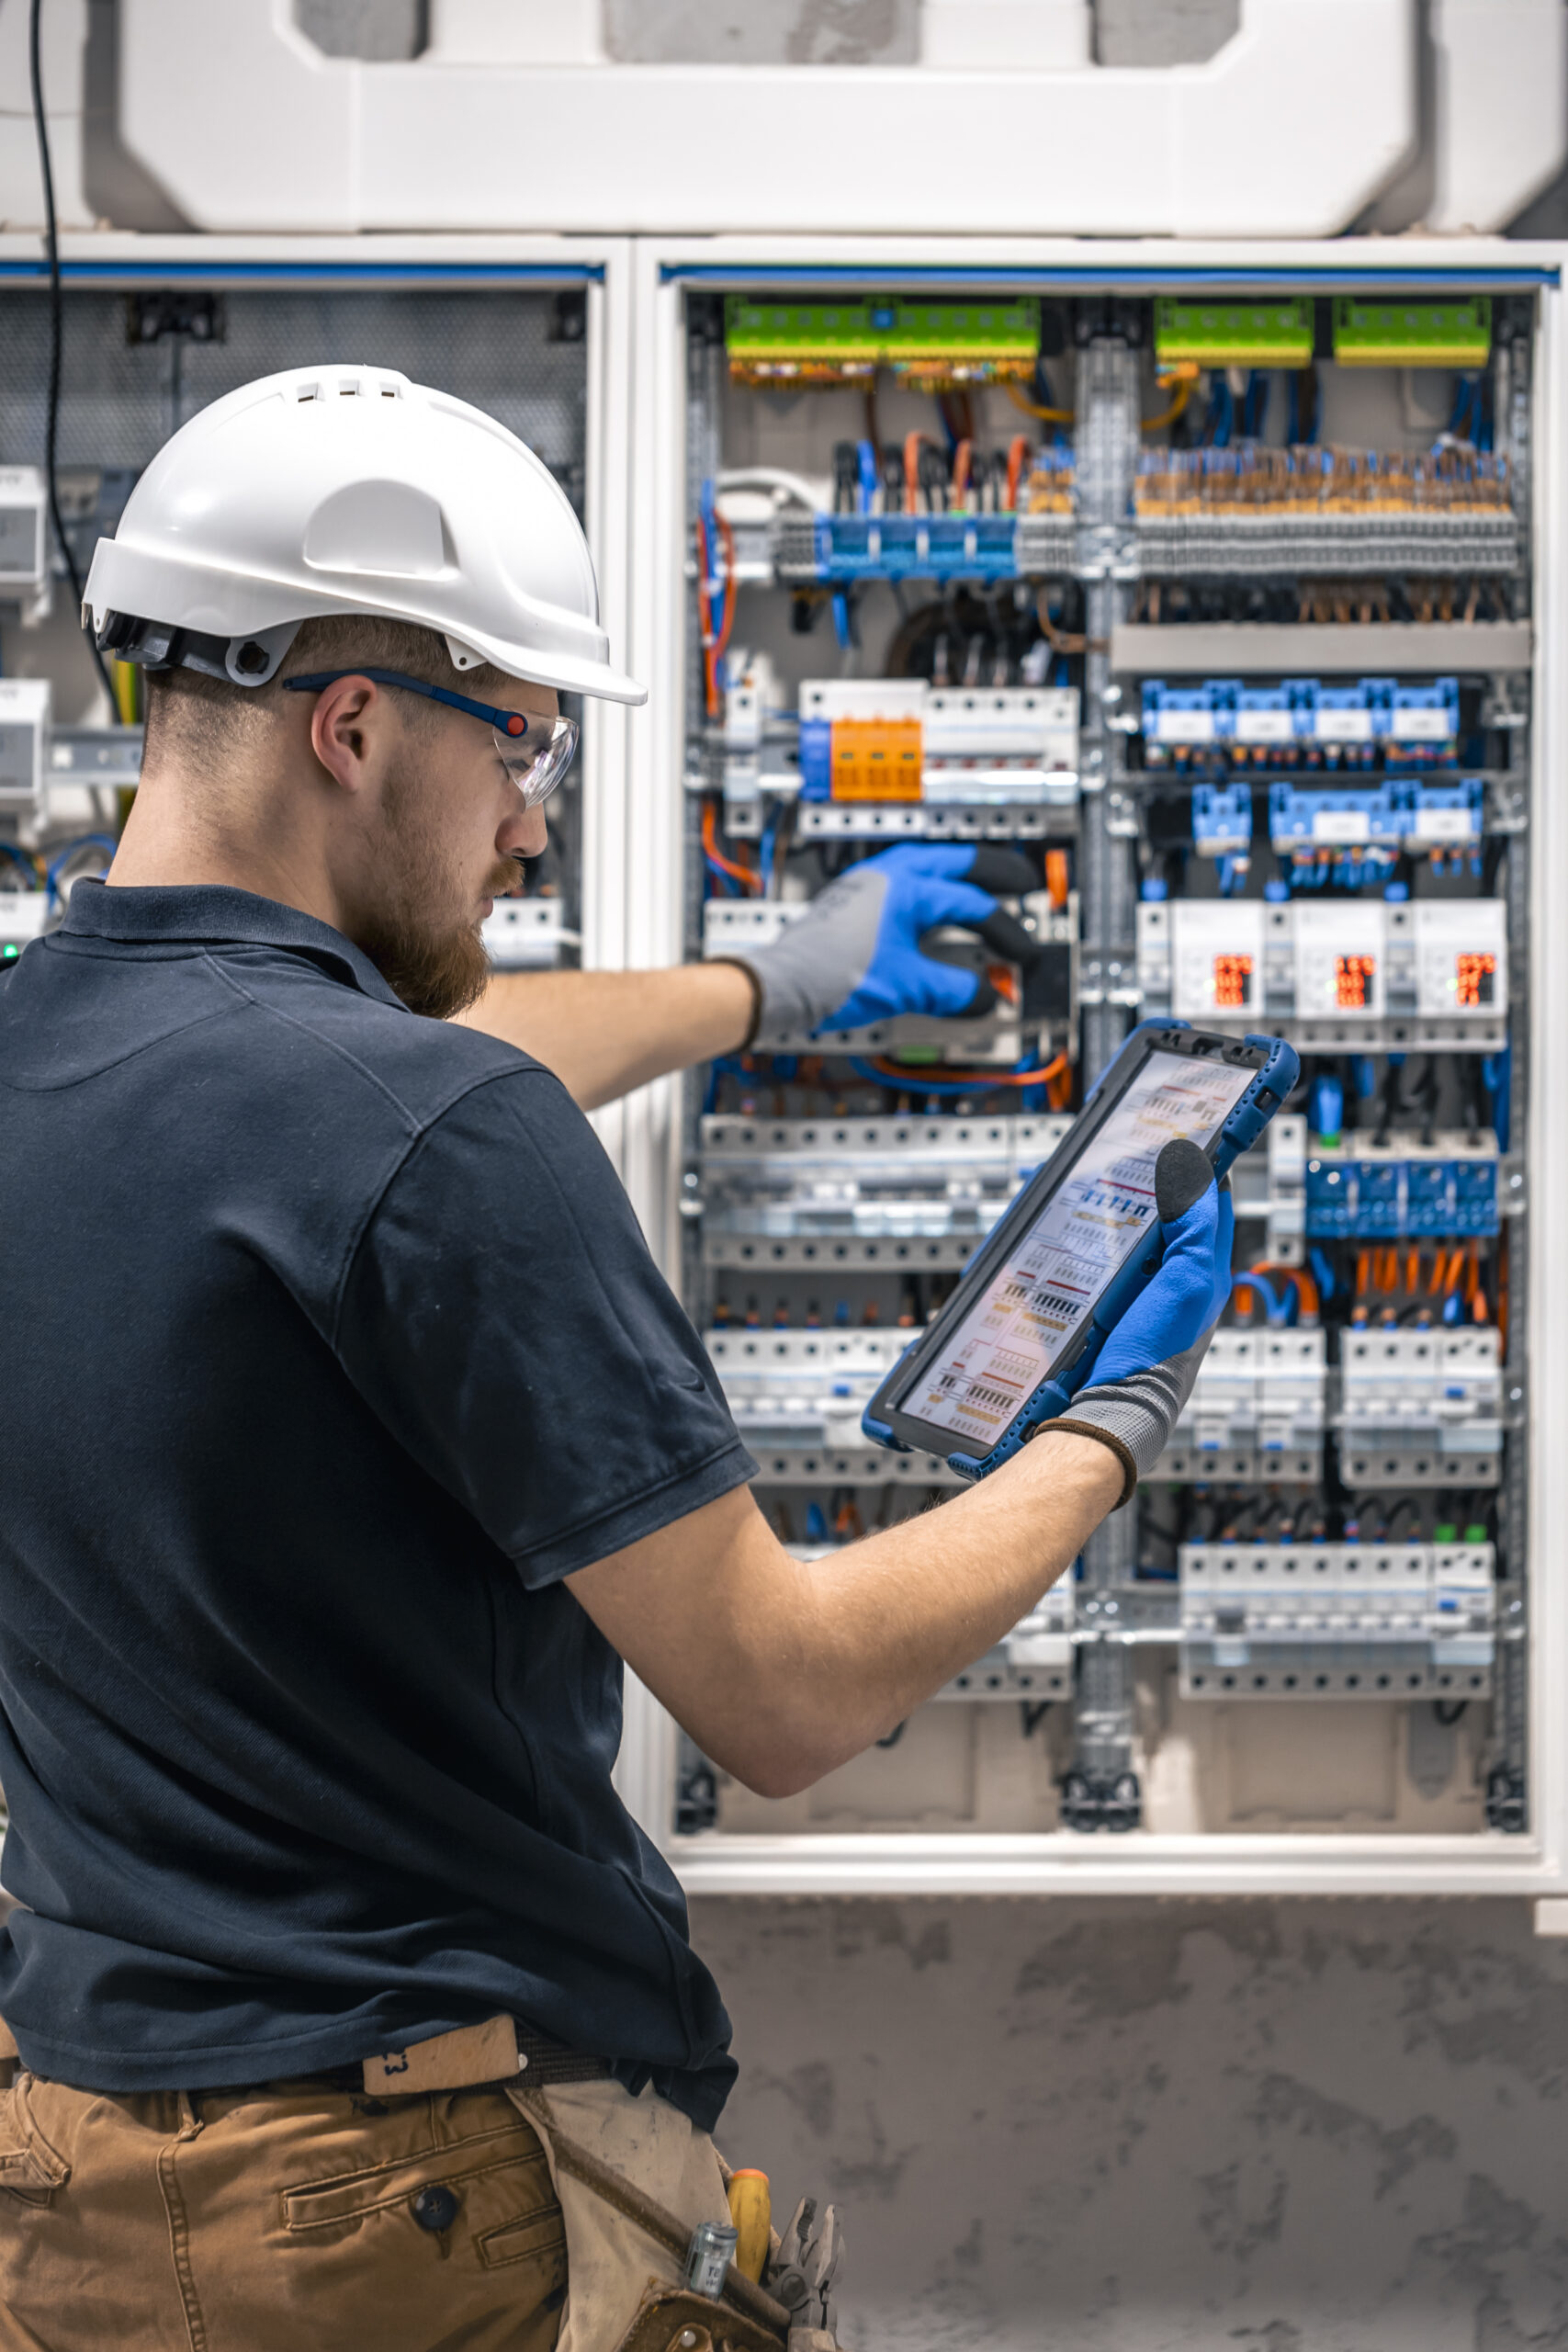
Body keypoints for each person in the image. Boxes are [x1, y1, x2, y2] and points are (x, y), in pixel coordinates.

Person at [0, 367, 1230, 2352]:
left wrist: (773, 980)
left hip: (68, 2177)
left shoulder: (54, 1050)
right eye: (522, 748)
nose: (528, 816)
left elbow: (352, 1103)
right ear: (352, 724)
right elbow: (787, 1690)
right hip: (399, 2195)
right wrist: (1112, 1415)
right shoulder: (431, 1141)